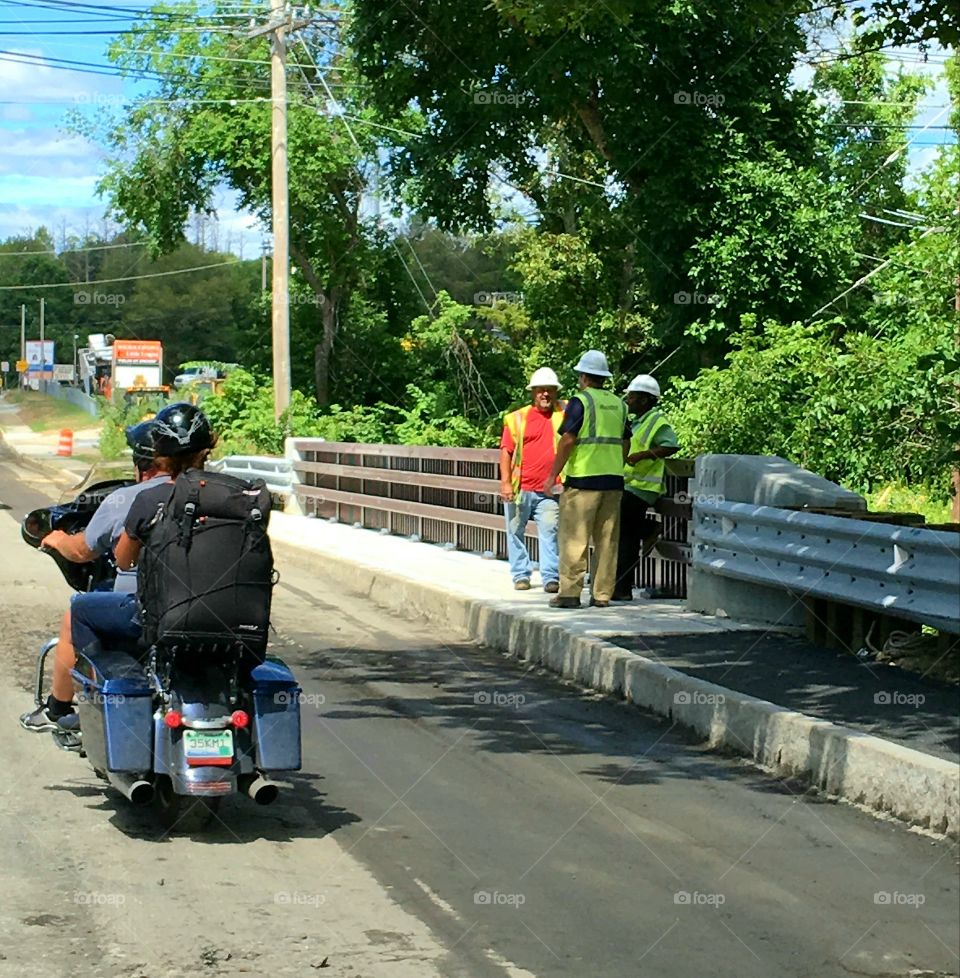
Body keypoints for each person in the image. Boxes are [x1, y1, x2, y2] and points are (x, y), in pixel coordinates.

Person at [19, 404, 214, 733]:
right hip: (215, 612)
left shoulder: (134, 499)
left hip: (148, 613)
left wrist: (54, 538)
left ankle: (60, 710)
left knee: (78, 613)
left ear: (152, 459)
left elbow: (93, 553)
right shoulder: (231, 495)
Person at [542, 350, 631, 609]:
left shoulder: (580, 402)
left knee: (574, 539)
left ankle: (570, 594)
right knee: (607, 541)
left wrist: (552, 475)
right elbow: (626, 440)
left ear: (583, 377)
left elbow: (568, 439)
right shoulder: (619, 404)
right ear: (603, 377)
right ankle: (602, 595)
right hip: (613, 482)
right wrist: (617, 464)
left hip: (583, 481)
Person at [612, 375, 680, 601]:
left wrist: (644, 455)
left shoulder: (657, 420)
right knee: (625, 534)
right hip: (630, 484)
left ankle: (648, 529)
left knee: (625, 530)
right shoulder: (634, 422)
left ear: (645, 399)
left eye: (632, 396)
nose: (628, 400)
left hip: (644, 487)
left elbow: (671, 446)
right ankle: (621, 588)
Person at [499, 367, 566, 592]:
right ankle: (521, 574)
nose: (545, 394)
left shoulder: (564, 414)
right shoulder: (518, 418)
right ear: (533, 392)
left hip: (550, 490)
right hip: (521, 489)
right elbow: (506, 451)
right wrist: (506, 483)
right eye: (540, 390)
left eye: (549, 390)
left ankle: (550, 578)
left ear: (556, 392)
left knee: (549, 534)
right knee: (515, 533)